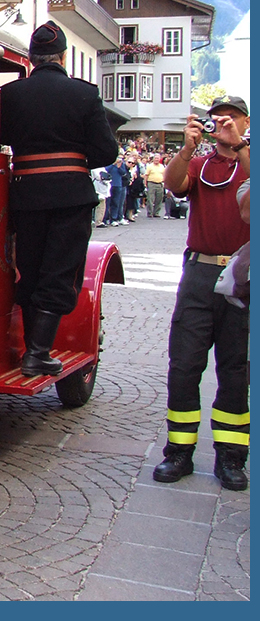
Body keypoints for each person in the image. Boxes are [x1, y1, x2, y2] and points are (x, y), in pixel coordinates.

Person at [0, 21, 119, 376]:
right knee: (60, 272)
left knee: (30, 270)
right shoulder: (84, 94)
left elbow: (1, 138)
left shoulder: (11, 94)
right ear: (63, 57)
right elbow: (106, 151)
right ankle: (37, 352)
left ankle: (31, 348)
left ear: (31, 58)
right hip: (70, 195)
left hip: (26, 193)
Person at [153, 95, 250, 491]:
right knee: (185, 364)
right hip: (199, 271)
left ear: (246, 122)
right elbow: (175, 184)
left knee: (236, 368)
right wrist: (188, 147)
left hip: (242, 275)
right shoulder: (201, 163)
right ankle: (179, 451)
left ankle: (230, 456)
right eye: (216, 119)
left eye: (231, 118)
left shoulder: (248, 159)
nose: (222, 124)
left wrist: (241, 147)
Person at [101, 155, 128, 226]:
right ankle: (105, 218)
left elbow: (124, 173)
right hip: (109, 184)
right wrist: (113, 164)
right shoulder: (109, 163)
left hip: (118, 184)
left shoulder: (121, 164)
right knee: (107, 202)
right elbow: (105, 171)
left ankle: (113, 219)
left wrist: (119, 167)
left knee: (116, 202)